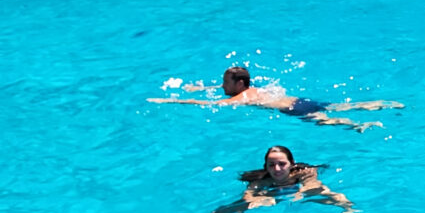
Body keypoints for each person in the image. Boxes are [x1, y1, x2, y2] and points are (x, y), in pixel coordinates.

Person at [201, 145, 358, 213]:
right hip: (272, 193)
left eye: (282, 164)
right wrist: (255, 201)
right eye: (271, 165)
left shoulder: (305, 172)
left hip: (297, 191)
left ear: (291, 164)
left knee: (340, 199)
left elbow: (312, 186)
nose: (276, 169)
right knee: (220, 212)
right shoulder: (262, 181)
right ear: (266, 167)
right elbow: (248, 197)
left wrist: (301, 193)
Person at [155, 66, 399, 131]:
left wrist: (172, 101)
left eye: (226, 82)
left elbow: (211, 105)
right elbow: (218, 89)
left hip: (293, 110)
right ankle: (381, 104)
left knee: (327, 120)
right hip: (298, 99)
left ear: (239, 84)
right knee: (341, 105)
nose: (222, 86)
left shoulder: (243, 97)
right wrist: (200, 86)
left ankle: (359, 126)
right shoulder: (253, 87)